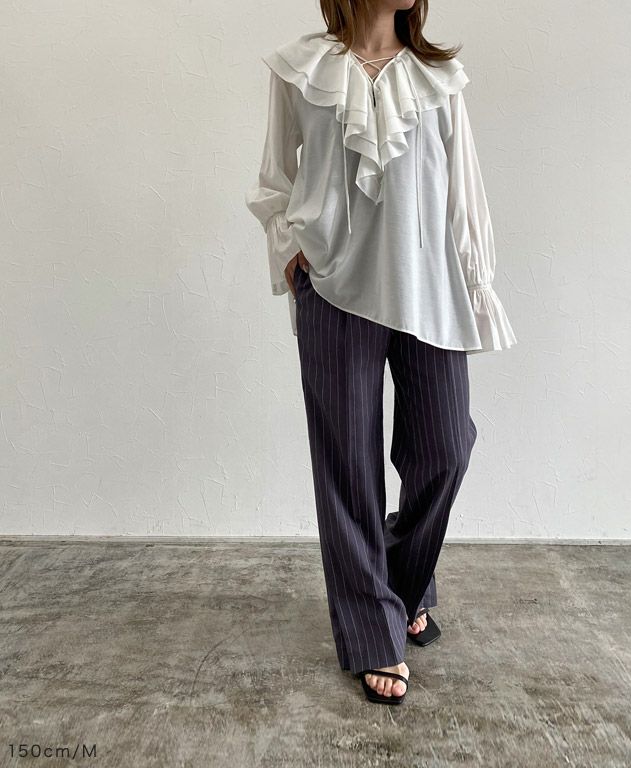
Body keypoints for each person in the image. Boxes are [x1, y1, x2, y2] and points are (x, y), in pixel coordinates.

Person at [245, 0, 517, 705]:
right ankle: (374, 630)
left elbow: (465, 191)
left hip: (429, 288)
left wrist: (477, 282)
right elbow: (274, 181)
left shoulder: (439, 77)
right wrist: (291, 254)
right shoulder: (301, 69)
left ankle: (399, 584)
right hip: (334, 290)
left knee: (446, 447)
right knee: (348, 467)